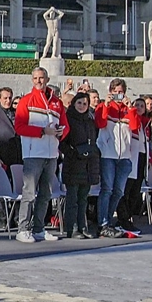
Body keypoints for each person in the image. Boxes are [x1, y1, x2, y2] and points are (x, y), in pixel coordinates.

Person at [14, 67, 67, 243]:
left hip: (51, 153)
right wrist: (43, 131)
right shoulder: (26, 101)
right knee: (29, 192)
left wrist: (61, 132)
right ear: (32, 80)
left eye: (42, 78)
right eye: (35, 78)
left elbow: (65, 126)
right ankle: (23, 229)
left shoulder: (57, 103)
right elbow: (19, 127)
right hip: (32, 153)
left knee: (46, 193)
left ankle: (39, 228)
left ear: (47, 79)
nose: (39, 81)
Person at [94, 78, 135, 234]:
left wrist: (130, 108)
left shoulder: (127, 109)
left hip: (124, 156)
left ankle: (108, 220)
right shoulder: (104, 106)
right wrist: (106, 104)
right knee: (107, 189)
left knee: (118, 191)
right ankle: (103, 222)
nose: (118, 95)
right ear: (110, 92)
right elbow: (100, 123)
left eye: (121, 92)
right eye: (115, 92)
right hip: (107, 155)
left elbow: (135, 126)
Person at [60, 91, 100, 238]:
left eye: (85, 103)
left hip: (88, 164)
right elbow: (62, 142)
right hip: (73, 163)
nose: (82, 106)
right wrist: (73, 153)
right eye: (79, 103)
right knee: (73, 199)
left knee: (83, 198)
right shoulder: (68, 119)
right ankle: (72, 228)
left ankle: (82, 226)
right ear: (73, 103)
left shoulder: (89, 121)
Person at [115, 96, 152, 232]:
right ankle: (123, 218)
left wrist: (149, 159)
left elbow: (148, 142)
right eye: (136, 105)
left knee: (135, 192)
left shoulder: (147, 123)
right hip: (131, 157)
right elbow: (133, 127)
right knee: (126, 190)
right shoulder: (132, 117)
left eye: (142, 106)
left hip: (141, 157)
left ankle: (129, 216)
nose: (139, 108)